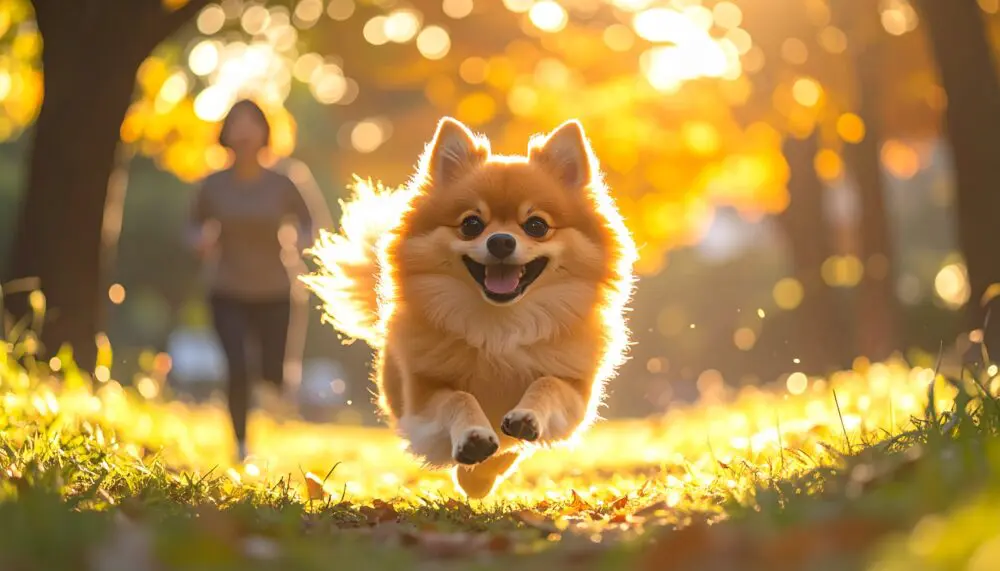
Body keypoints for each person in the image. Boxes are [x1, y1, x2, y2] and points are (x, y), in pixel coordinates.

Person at [187, 99, 314, 462]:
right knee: (238, 366)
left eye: (251, 123)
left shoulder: (284, 182)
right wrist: (198, 239)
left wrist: (303, 239)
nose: (243, 131)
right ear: (225, 133)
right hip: (227, 290)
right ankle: (241, 444)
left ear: (264, 132)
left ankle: (277, 402)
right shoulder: (212, 185)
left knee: (273, 374)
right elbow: (191, 224)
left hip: (275, 291)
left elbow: (309, 222)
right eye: (235, 123)